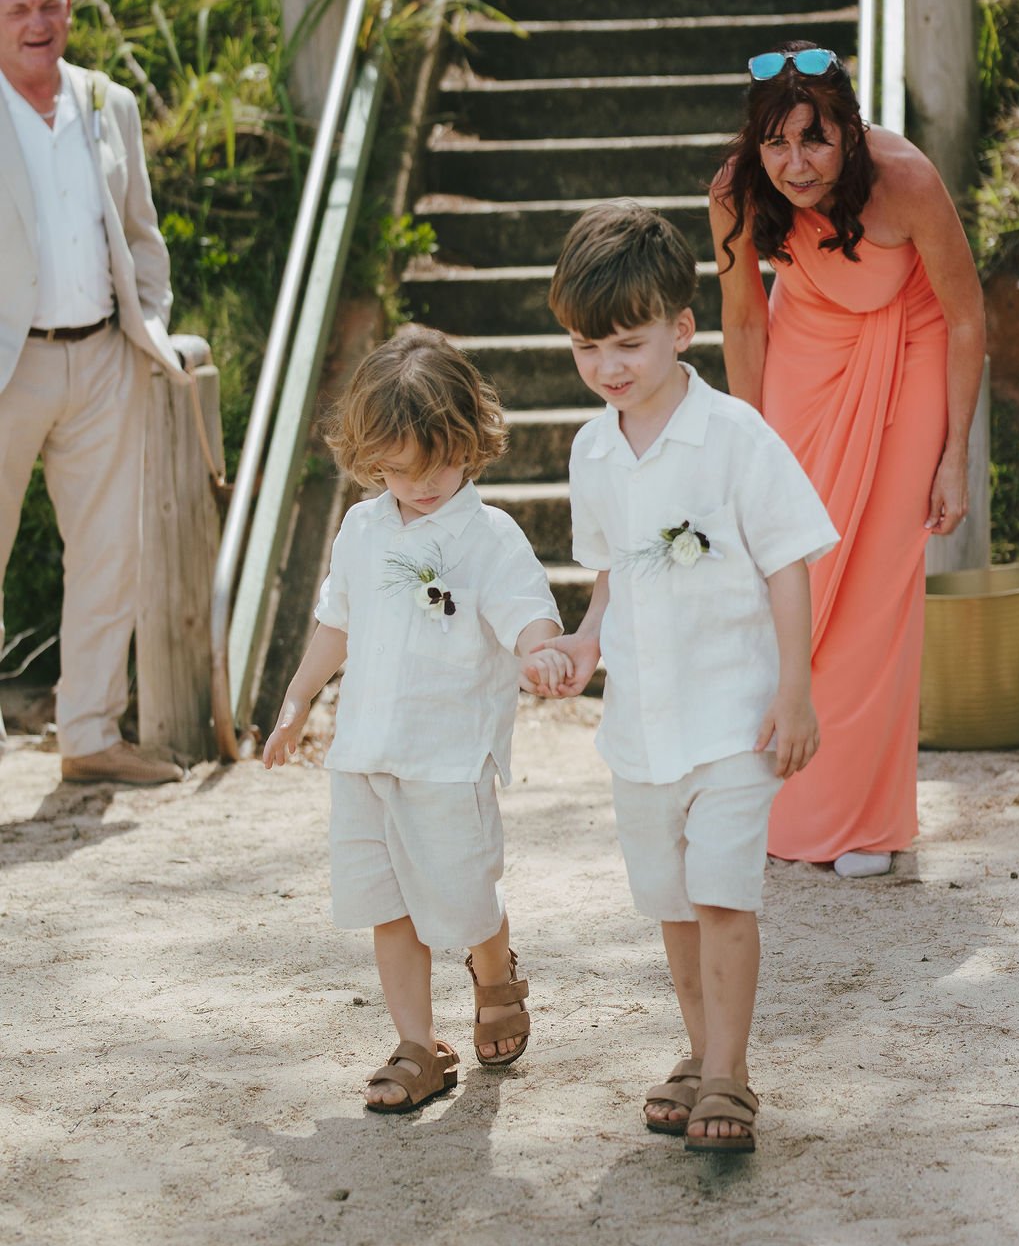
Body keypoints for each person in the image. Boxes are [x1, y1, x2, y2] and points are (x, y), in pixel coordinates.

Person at [529, 202, 838, 1152]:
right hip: (641, 729)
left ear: (680, 329)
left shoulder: (736, 436)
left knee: (721, 898)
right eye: (587, 348)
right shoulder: (591, 447)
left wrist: (796, 690)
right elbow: (612, 572)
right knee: (669, 905)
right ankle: (703, 1052)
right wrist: (585, 642)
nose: (608, 368)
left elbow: (789, 561)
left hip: (733, 720)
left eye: (627, 343)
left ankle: (729, 1076)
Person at [263, 325, 569, 1114]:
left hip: (449, 758)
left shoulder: (488, 537)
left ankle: (493, 965)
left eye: (435, 465)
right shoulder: (362, 528)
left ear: (471, 440)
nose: (420, 485)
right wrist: (298, 701)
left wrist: (542, 652)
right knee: (386, 902)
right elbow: (337, 623)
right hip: (365, 754)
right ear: (371, 461)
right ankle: (415, 1043)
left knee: (463, 896)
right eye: (396, 472)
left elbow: (528, 613)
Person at [709, 43, 986, 878]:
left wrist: (953, 458)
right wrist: (745, 448)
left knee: (873, 588)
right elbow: (746, 322)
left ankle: (866, 823)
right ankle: (773, 791)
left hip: (912, 347)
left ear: (852, 134)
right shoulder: (733, 192)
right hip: (805, 346)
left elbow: (969, 317)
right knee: (793, 565)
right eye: (777, 143)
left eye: (815, 140)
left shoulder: (905, 180)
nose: (795, 165)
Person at [0, 0, 186, 785]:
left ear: (69, 10)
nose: (37, 24)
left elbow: (142, 232)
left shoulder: (107, 103)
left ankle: (89, 737)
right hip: (9, 368)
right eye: (16, 11)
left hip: (104, 358)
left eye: (49, 6)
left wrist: (149, 320)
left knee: (109, 556)